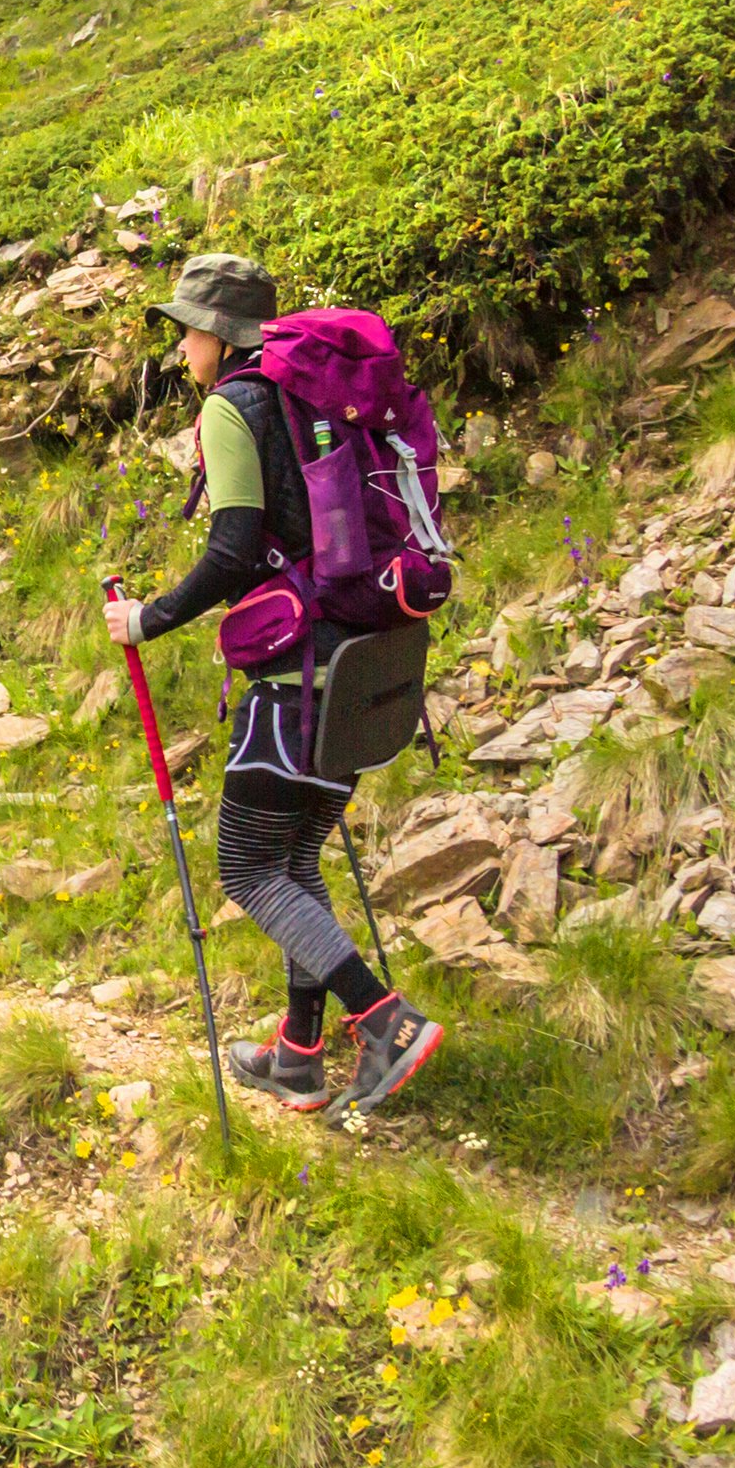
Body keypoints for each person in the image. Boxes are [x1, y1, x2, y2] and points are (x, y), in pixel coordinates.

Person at [106, 254, 443, 1115]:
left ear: (217, 335)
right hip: (372, 645)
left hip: (300, 670)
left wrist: (147, 619)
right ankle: (297, 1053)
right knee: (294, 857)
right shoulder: (321, 395)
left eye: (186, 329)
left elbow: (233, 546)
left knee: (248, 865)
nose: (181, 346)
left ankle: (383, 1020)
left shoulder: (233, 405)